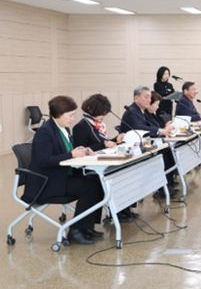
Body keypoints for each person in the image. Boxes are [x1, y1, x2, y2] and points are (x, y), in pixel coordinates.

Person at [23, 96, 104, 245]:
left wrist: (82, 150)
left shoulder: (63, 129)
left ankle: (87, 226)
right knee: (89, 186)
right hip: (46, 182)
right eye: (70, 115)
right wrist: (71, 154)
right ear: (58, 114)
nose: (73, 119)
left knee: (97, 181)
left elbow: (65, 151)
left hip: (60, 176)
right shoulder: (45, 132)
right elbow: (44, 161)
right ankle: (76, 231)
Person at [74, 93, 137, 222]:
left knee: (124, 172)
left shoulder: (98, 126)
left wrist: (115, 139)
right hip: (88, 167)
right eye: (101, 113)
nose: (103, 116)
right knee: (108, 179)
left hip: (100, 162)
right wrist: (105, 144)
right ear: (92, 110)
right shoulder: (81, 127)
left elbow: (102, 142)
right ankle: (114, 213)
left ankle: (122, 210)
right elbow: (84, 149)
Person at [175, 81, 201, 165]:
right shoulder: (182, 101)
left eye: (195, 89)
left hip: (190, 130)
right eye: (193, 89)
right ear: (185, 91)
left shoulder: (188, 100)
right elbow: (189, 118)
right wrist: (200, 116)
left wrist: (200, 116)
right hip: (184, 132)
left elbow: (194, 114)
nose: (196, 91)